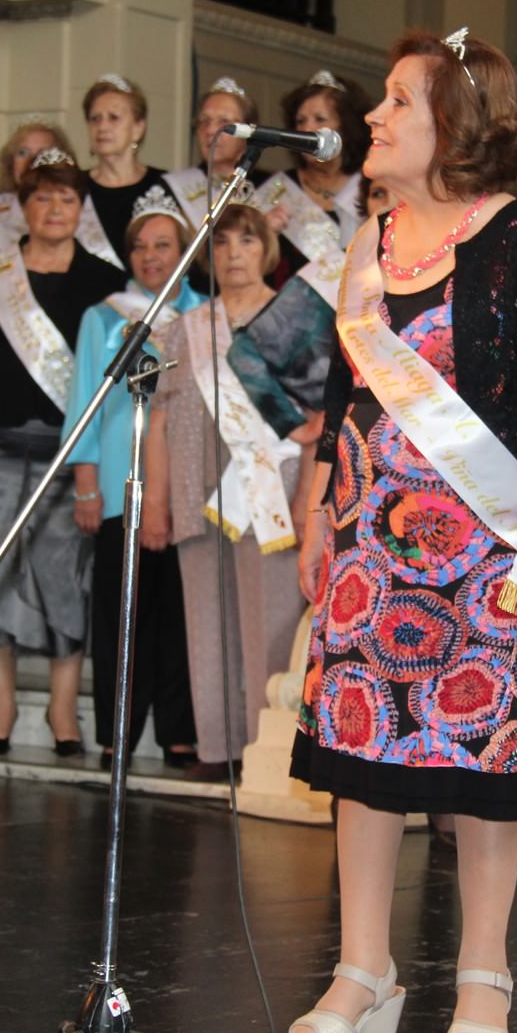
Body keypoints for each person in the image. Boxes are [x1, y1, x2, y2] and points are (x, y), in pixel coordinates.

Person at [287, 29, 517, 1033]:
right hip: (368, 553)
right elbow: (342, 397)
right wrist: (315, 512)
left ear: (454, 126)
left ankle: (482, 978)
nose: (373, 118)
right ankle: (363, 975)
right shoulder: (366, 246)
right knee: (363, 761)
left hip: (490, 556)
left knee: (484, 764)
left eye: (397, 103)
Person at [0, 148, 127, 756]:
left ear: (81, 208)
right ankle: (1, 707)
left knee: (64, 577)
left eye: (67, 198)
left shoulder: (105, 281)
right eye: (42, 197)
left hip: (70, 453)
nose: (54, 208)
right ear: (22, 207)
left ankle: (62, 711)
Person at [148, 203, 332, 784]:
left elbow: (318, 421)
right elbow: (159, 418)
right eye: (222, 242)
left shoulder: (294, 320)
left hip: (272, 493)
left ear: (267, 250)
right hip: (196, 485)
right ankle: (219, 747)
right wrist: (154, 501)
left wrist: (310, 500)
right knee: (206, 621)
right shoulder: (185, 326)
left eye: (246, 241)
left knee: (272, 625)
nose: (232, 254)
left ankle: (269, 751)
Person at [67, 187, 205, 769]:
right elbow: (84, 406)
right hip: (121, 487)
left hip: (192, 491)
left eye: (163, 245)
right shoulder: (103, 316)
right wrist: (86, 484)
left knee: (181, 619)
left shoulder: (205, 316)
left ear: (185, 251)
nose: (151, 256)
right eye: (141, 247)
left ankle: (181, 730)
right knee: (120, 620)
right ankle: (115, 732)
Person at [252, 69, 371, 292]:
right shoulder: (277, 190)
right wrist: (264, 236)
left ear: (345, 127)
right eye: (301, 121)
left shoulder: (370, 188)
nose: (307, 129)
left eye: (319, 120)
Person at [77, 74, 169, 273]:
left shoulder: (165, 186)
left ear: (138, 127)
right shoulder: (74, 188)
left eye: (114, 118)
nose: (102, 127)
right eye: (95, 119)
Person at [0, 116, 77, 263]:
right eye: (22, 153)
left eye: (42, 153)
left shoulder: (76, 211)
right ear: (10, 162)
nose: (31, 161)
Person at [164, 77, 258, 230]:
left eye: (224, 122)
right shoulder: (174, 190)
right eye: (204, 121)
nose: (210, 131)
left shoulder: (266, 188)